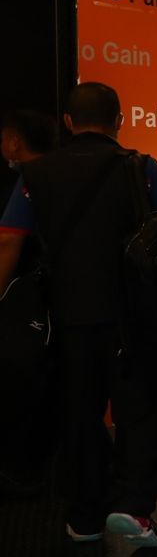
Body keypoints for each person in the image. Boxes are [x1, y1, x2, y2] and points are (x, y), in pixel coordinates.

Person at [0, 82, 157, 546]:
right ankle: (133, 507)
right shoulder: (141, 167)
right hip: (133, 316)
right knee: (142, 409)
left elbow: (9, 241)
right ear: (119, 121)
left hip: (67, 317)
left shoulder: (34, 174)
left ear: (68, 121)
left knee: (78, 413)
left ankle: (85, 517)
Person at [0, 107, 55, 495]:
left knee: (24, 381)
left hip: (32, 299)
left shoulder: (29, 180)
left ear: (16, 142)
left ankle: (24, 470)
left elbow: (9, 242)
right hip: (71, 298)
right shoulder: (66, 174)